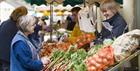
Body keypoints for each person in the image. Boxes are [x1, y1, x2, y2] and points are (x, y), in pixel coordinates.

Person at [0, 6, 28, 71]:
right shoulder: (18, 26)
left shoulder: (4, 22)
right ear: (23, 16)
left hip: (2, 56)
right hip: (8, 59)